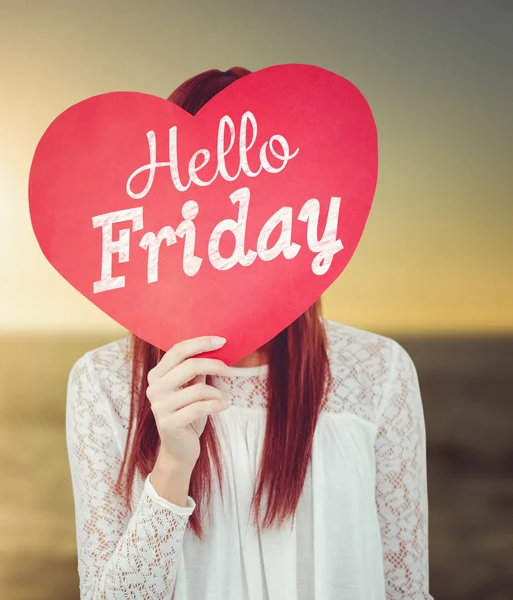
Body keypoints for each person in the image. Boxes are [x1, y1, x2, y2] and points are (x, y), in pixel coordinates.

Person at [66, 67, 432, 600]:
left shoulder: (379, 372)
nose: (228, 223)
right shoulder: (102, 383)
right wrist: (172, 462)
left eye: (253, 198)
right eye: (199, 199)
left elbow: (407, 590)